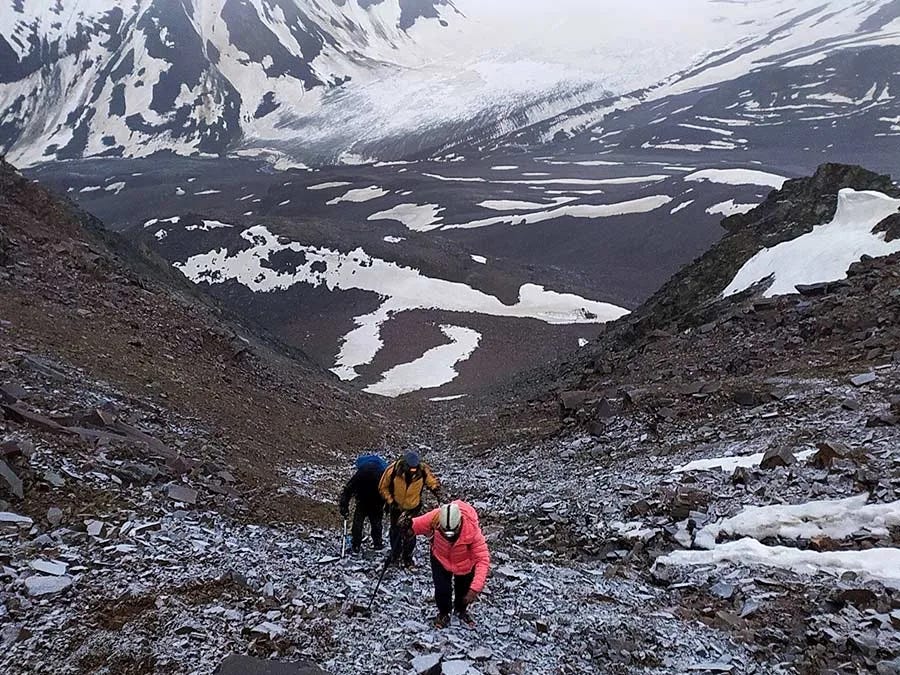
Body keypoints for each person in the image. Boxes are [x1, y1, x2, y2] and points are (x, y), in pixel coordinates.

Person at [404, 500, 490, 629]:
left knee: (464, 590)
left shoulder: (472, 531)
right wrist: (407, 527)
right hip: (440, 557)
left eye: (452, 532)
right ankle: (444, 613)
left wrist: (475, 588)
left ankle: (461, 610)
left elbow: (482, 559)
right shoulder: (435, 517)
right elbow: (417, 525)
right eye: (444, 531)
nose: (448, 535)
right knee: (442, 588)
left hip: (465, 562)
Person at [379, 451, 441, 566]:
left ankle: (407, 557)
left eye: (414, 468)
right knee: (395, 531)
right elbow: (383, 487)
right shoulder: (393, 470)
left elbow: (431, 481)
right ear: (404, 464)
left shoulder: (422, 470)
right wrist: (390, 501)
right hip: (396, 506)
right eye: (410, 468)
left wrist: (435, 488)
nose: (413, 471)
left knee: (411, 532)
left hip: (413, 507)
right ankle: (395, 555)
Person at [339, 452, 388, 553]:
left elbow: (348, 489)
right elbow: (388, 491)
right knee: (376, 523)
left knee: (358, 522)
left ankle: (356, 544)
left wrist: (344, 505)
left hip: (362, 501)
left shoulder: (361, 473)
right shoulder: (382, 475)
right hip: (377, 502)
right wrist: (388, 505)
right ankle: (377, 544)